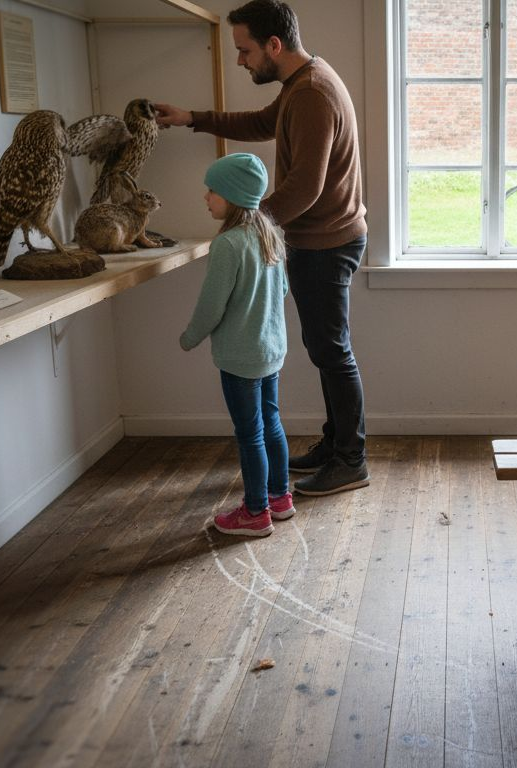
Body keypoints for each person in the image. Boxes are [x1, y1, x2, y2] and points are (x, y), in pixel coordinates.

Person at [155, 0, 369, 497]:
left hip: (326, 243)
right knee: (324, 349)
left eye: (244, 50)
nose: (240, 60)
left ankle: (350, 459)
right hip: (321, 240)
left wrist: (245, 227)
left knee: (331, 351)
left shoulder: (313, 92)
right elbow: (260, 123)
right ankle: (337, 443)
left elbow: (304, 190)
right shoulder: (302, 83)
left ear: (274, 45)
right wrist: (194, 118)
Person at [181, 153, 292, 537]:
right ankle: (280, 498)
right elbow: (284, 291)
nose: (206, 197)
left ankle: (256, 513)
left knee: (250, 435)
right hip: (271, 350)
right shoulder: (270, 234)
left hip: (241, 357)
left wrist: (190, 337)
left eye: (212, 190)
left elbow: (212, 305)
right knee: (271, 424)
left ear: (231, 196)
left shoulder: (228, 245)